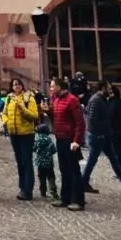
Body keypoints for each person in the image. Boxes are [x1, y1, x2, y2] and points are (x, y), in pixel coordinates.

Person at [45, 77, 86, 211]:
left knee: (74, 170)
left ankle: (78, 200)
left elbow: (80, 123)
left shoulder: (72, 100)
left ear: (59, 87)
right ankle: (65, 198)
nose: (50, 89)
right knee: (64, 170)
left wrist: (76, 141)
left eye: (52, 86)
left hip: (70, 140)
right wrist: (47, 111)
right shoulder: (56, 100)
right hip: (60, 138)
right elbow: (56, 118)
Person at [81, 79, 121, 193]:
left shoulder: (103, 99)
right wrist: (100, 134)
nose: (110, 90)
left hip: (104, 135)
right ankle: (83, 182)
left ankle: (83, 182)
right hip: (98, 136)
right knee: (92, 160)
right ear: (103, 88)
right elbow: (92, 120)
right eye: (108, 88)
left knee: (113, 159)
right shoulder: (96, 100)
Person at [1, 77, 39, 200]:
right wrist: (6, 122)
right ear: (11, 87)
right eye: (14, 85)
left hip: (26, 134)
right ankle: (22, 187)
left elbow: (34, 115)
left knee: (26, 161)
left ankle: (28, 190)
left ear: (22, 86)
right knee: (19, 161)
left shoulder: (28, 98)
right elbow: (4, 113)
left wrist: (22, 107)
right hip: (14, 134)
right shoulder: (9, 99)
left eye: (18, 84)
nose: (17, 86)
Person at [33, 123, 58, 200]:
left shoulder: (36, 139)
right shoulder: (48, 139)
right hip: (49, 163)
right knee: (51, 177)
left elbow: (33, 148)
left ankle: (43, 191)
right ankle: (53, 190)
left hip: (40, 163)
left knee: (41, 178)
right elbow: (54, 149)